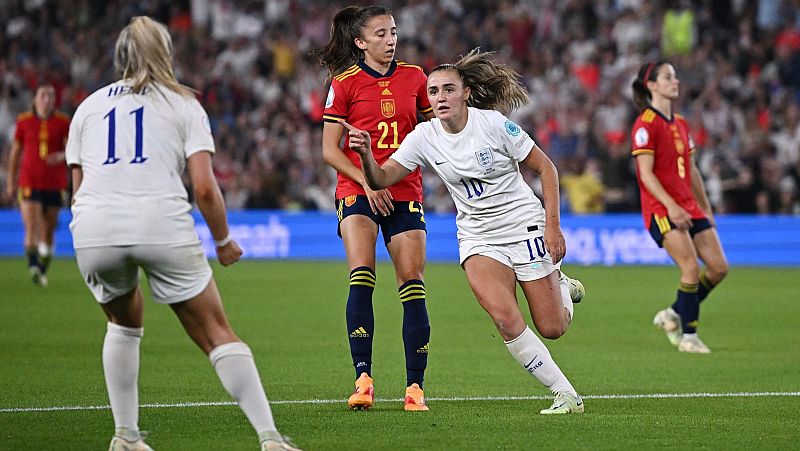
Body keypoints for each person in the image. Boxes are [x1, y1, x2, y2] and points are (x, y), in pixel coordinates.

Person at [65, 17, 300, 451]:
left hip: (94, 227)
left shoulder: (88, 107)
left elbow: (76, 192)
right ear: (166, 53)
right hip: (160, 222)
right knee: (216, 333)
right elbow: (205, 188)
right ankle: (270, 439)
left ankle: (125, 436)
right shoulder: (183, 104)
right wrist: (223, 241)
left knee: (122, 323)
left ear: (120, 55)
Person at [344, 49, 587, 415]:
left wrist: (553, 226)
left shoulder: (493, 125)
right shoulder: (424, 136)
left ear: (466, 93)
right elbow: (381, 178)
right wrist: (365, 155)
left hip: (523, 225)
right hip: (478, 237)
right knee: (505, 319)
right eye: (433, 92)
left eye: (448, 90)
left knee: (552, 327)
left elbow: (546, 168)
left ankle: (562, 286)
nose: (440, 98)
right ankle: (565, 393)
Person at [312, 5, 434, 411]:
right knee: (362, 274)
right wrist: (368, 181)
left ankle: (415, 388)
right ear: (360, 42)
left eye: (393, 32)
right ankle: (363, 379)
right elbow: (329, 150)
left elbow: (433, 135)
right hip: (357, 188)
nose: (391, 39)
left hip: (404, 189)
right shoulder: (344, 83)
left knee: (412, 281)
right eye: (381, 34)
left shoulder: (416, 78)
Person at [630, 61, 729, 353]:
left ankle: (673, 313)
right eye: (668, 77)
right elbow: (645, 173)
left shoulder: (681, 123)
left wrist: (705, 207)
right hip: (662, 210)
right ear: (652, 85)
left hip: (689, 206)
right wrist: (671, 206)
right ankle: (689, 337)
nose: (675, 81)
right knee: (690, 268)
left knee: (719, 268)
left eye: (675, 76)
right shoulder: (645, 124)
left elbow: (692, 169)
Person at [5, 84, 70, 287]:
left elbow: (72, 151)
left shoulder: (63, 122)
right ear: (35, 99)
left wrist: (61, 156)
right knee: (31, 226)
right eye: (43, 95)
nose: (47, 100)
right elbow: (15, 154)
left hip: (55, 184)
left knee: (48, 230)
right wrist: (11, 183)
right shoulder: (24, 121)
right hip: (29, 181)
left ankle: (42, 266)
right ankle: (33, 266)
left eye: (50, 96)